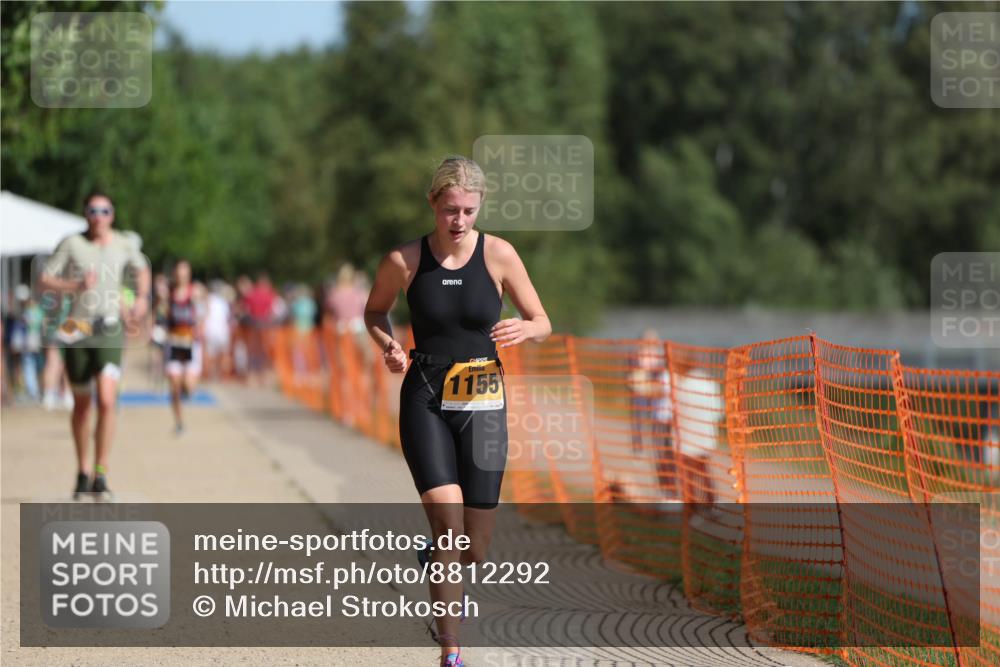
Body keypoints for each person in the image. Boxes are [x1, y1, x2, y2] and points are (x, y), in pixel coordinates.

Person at [364, 155, 551, 667]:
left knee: (476, 548)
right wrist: (389, 345)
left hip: (483, 397)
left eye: (469, 210)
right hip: (424, 394)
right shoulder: (404, 260)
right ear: (433, 204)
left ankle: (439, 564)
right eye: (450, 210)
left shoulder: (500, 255)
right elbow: (374, 310)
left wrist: (525, 328)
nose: (459, 221)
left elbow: (542, 320)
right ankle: (452, 651)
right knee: (447, 527)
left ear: (480, 206)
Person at [38, 191, 150, 500]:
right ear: (85, 214)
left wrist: (141, 298)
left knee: (107, 399)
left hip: (109, 327)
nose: (98, 216)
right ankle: (82, 470)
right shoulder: (72, 243)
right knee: (82, 406)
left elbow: (142, 270)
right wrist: (73, 285)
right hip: (77, 327)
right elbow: (45, 278)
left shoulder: (124, 244)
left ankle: (102, 472)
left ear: (112, 214)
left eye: (104, 210)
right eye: (93, 210)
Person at [164, 260, 203, 434]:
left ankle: (187, 390)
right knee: (174, 385)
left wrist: (200, 326)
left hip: (190, 342)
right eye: (178, 272)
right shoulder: (169, 293)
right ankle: (179, 422)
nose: (181, 275)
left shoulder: (195, 292)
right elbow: (162, 313)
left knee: (188, 384)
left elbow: (203, 313)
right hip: (173, 342)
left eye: (184, 272)